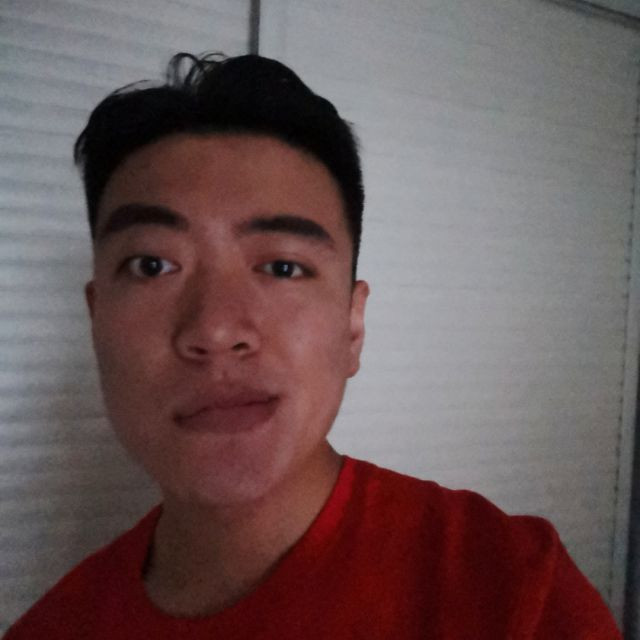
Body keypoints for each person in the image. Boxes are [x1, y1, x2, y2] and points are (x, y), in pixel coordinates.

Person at [5, 52, 621, 639]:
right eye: (151, 265)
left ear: (352, 327)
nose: (216, 330)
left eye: (282, 267)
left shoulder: (513, 594)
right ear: (96, 320)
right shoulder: (51, 629)